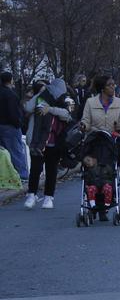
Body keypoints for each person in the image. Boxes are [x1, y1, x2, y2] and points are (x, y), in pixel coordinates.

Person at [24, 79, 74, 209]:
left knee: (51, 170)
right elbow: (28, 107)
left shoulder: (66, 100)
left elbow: (67, 115)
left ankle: (48, 197)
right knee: (35, 169)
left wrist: (50, 109)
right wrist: (39, 94)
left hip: (55, 140)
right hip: (37, 141)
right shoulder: (41, 97)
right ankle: (31, 194)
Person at [0, 71, 27, 181]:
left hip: (1, 125)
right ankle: (22, 175)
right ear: (10, 80)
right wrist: (18, 123)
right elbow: (13, 113)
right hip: (10, 126)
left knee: (3, 152)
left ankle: (7, 175)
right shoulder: (11, 95)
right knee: (16, 151)